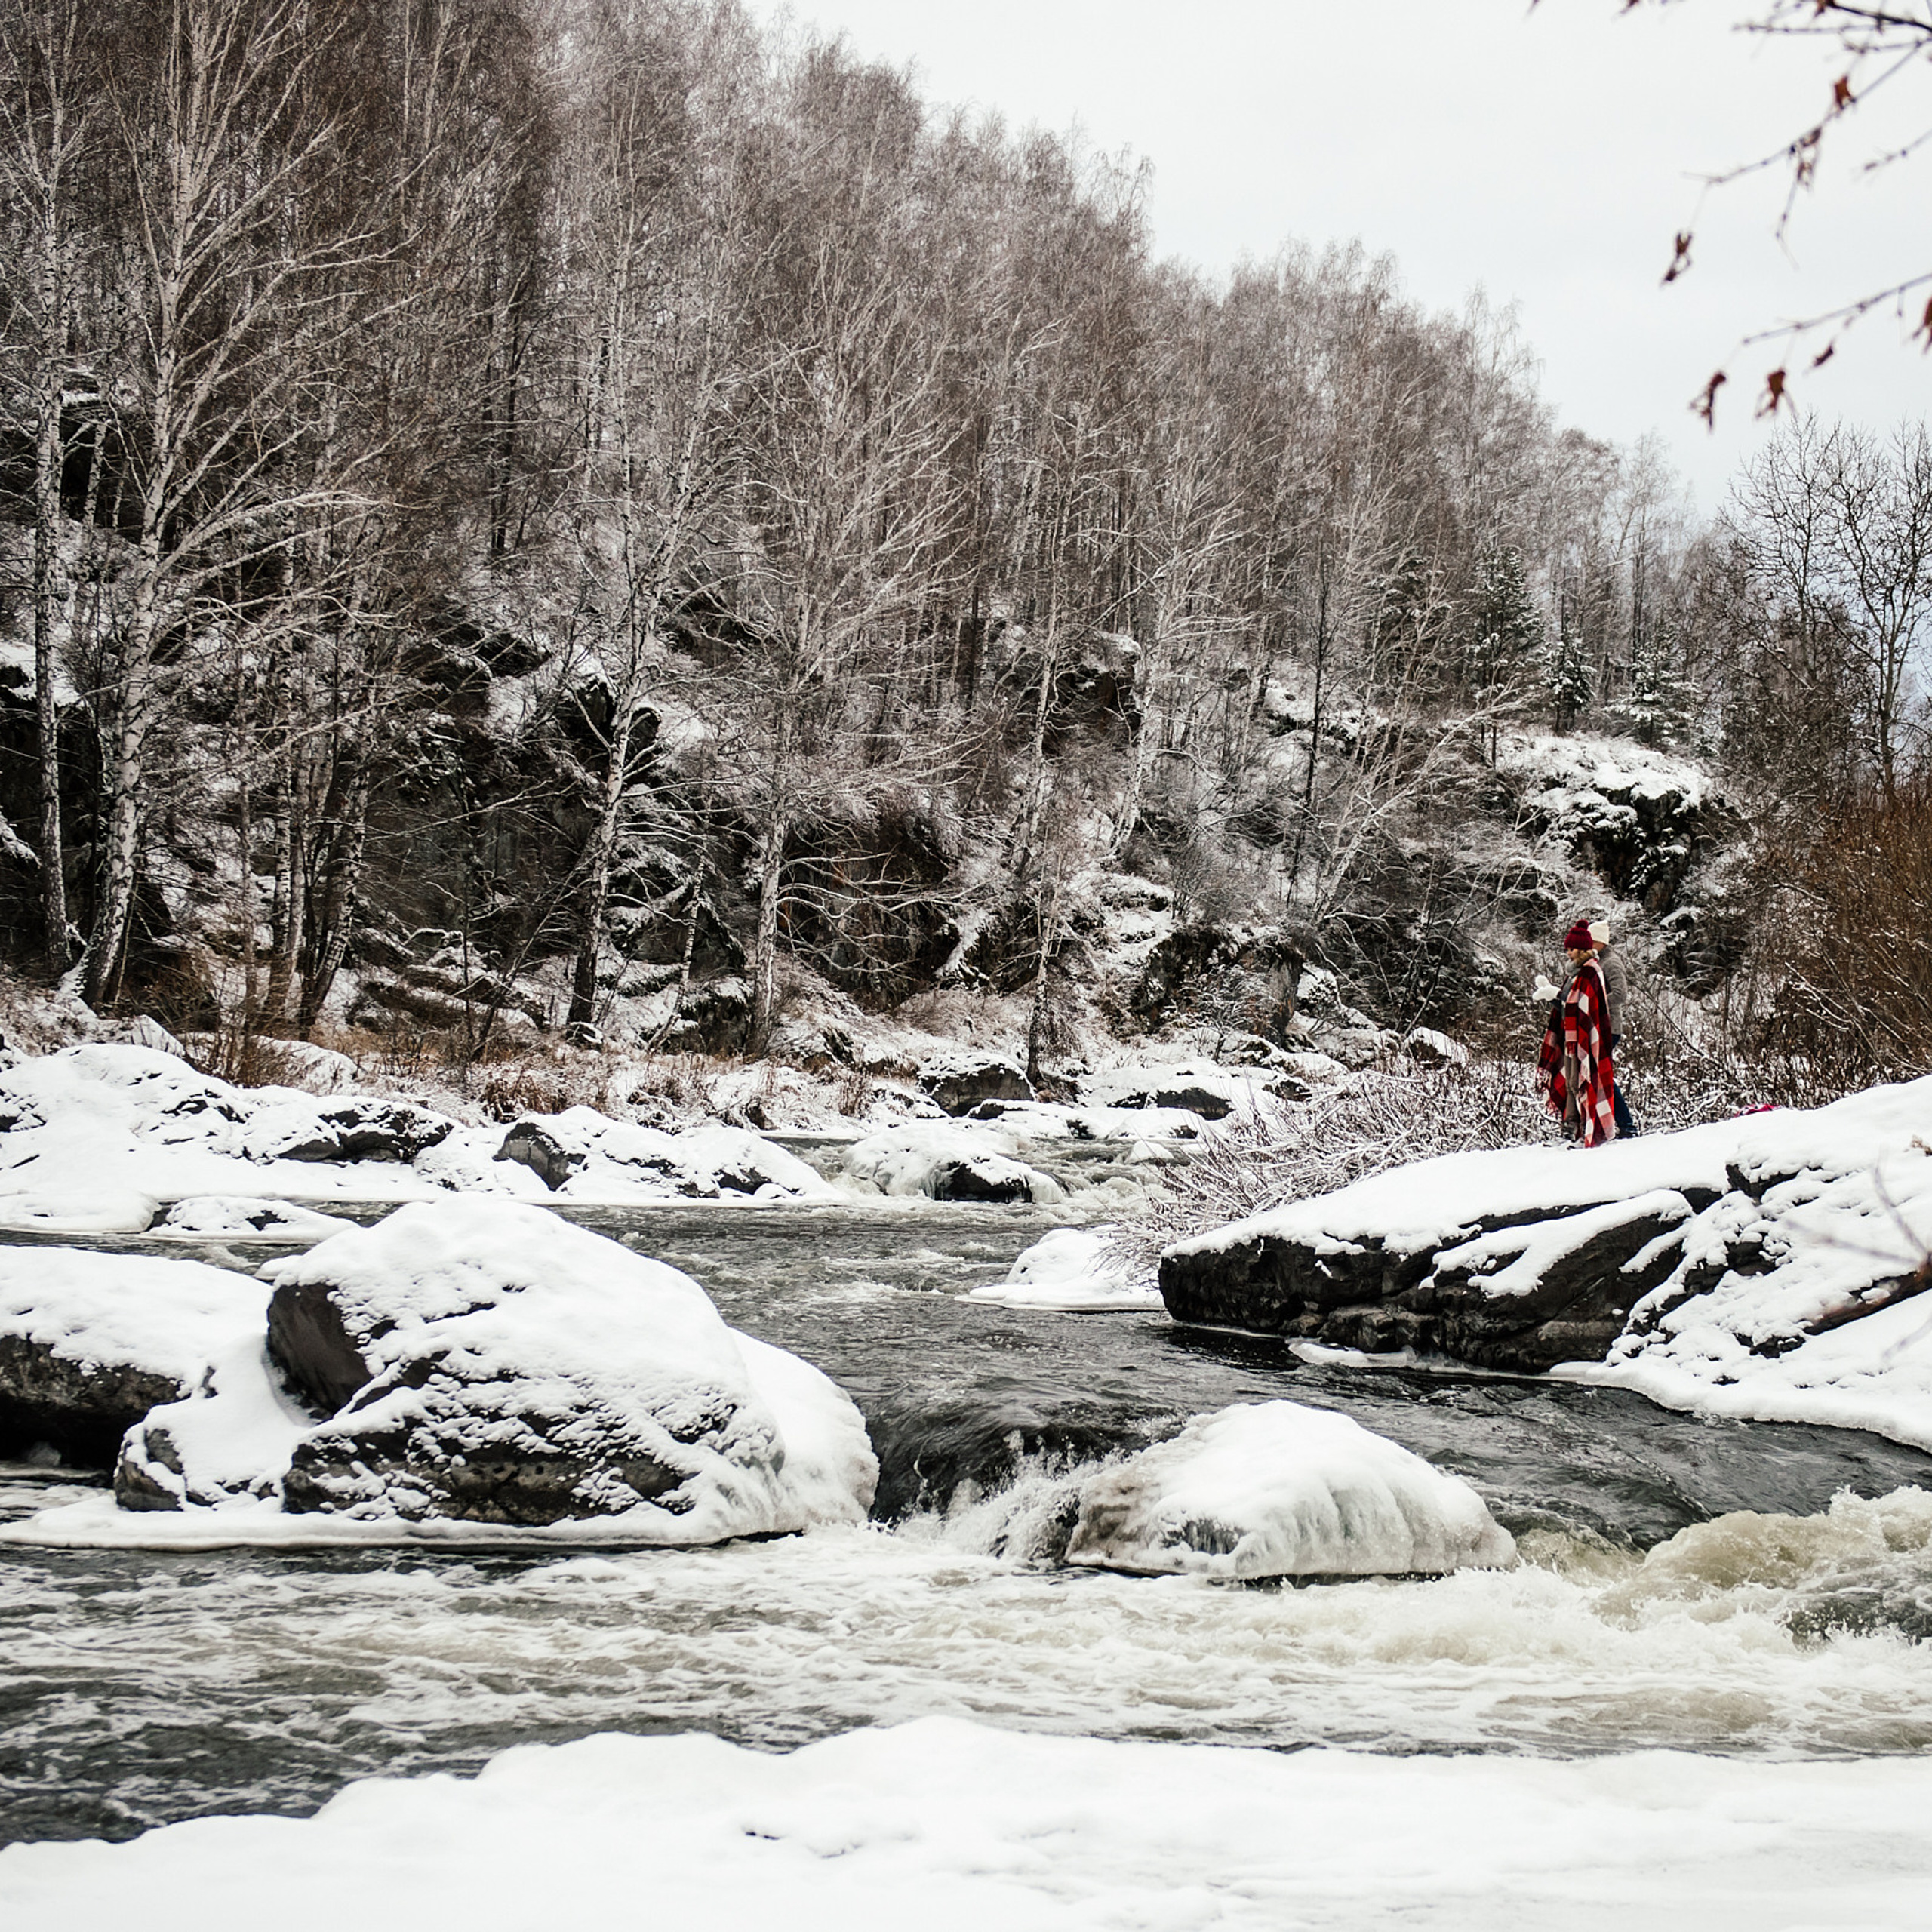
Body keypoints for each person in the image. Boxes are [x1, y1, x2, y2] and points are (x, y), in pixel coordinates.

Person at [1537, 919, 1619, 1146]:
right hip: (1572, 1035)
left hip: (1586, 1035)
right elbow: (1569, 1004)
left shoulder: (1592, 971)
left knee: (1583, 1080)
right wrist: (1552, 995)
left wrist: (1559, 996)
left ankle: (1588, 1126)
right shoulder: (1576, 972)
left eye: (1571, 950)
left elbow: (1586, 1003)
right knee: (1572, 1081)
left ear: (1583, 949)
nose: (1568, 954)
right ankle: (1571, 1126)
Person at [1587, 917, 1637, 1137]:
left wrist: (1594, 1003)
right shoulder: (1597, 961)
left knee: (1602, 1075)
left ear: (1600, 942)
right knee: (1597, 1075)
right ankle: (1616, 1124)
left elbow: (1620, 994)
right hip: (1600, 1025)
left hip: (1610, 1027)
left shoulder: (1611, 963)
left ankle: (1626, 1125)